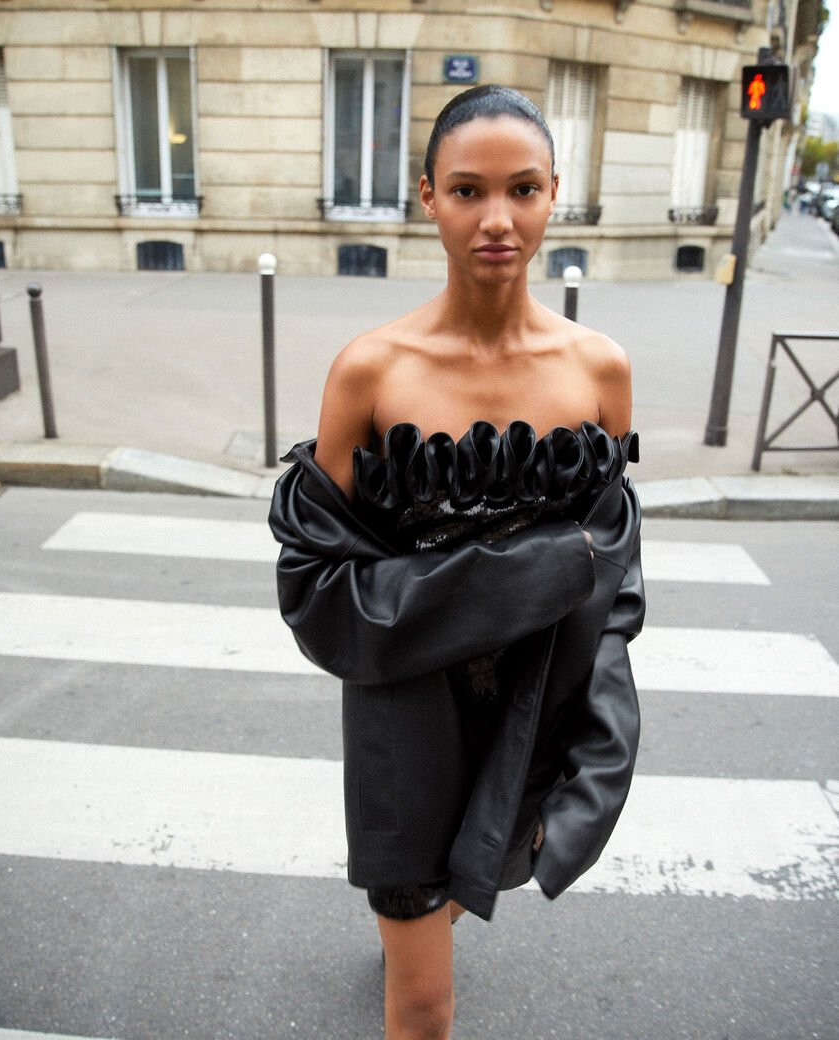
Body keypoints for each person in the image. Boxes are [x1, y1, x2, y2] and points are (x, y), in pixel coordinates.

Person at [269, 84, 644, 1040]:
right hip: (404, 714)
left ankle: (416, 919)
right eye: (469, 190)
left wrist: (600, 755)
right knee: (425, 1009)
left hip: (532, 708)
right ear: (428, 195)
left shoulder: (599, 371)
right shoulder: (372, 371)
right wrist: (523, 574)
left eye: (523, 189)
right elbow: (320, 592)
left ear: (555, 193)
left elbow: (609, 589)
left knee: (462, 892)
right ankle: (408, 927)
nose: (498, 219)